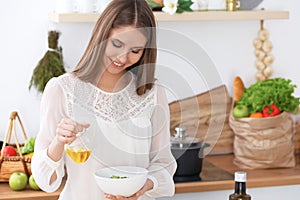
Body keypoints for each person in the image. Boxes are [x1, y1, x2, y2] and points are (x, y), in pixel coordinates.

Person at [31, 0, 177, 199]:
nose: (123, 58)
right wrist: (58, 141)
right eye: (117, 44)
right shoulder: (61, 89)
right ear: (102, 34)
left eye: (135, 51)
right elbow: (45, 180)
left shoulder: (153, 93)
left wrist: (146, 185)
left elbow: (163, 164)